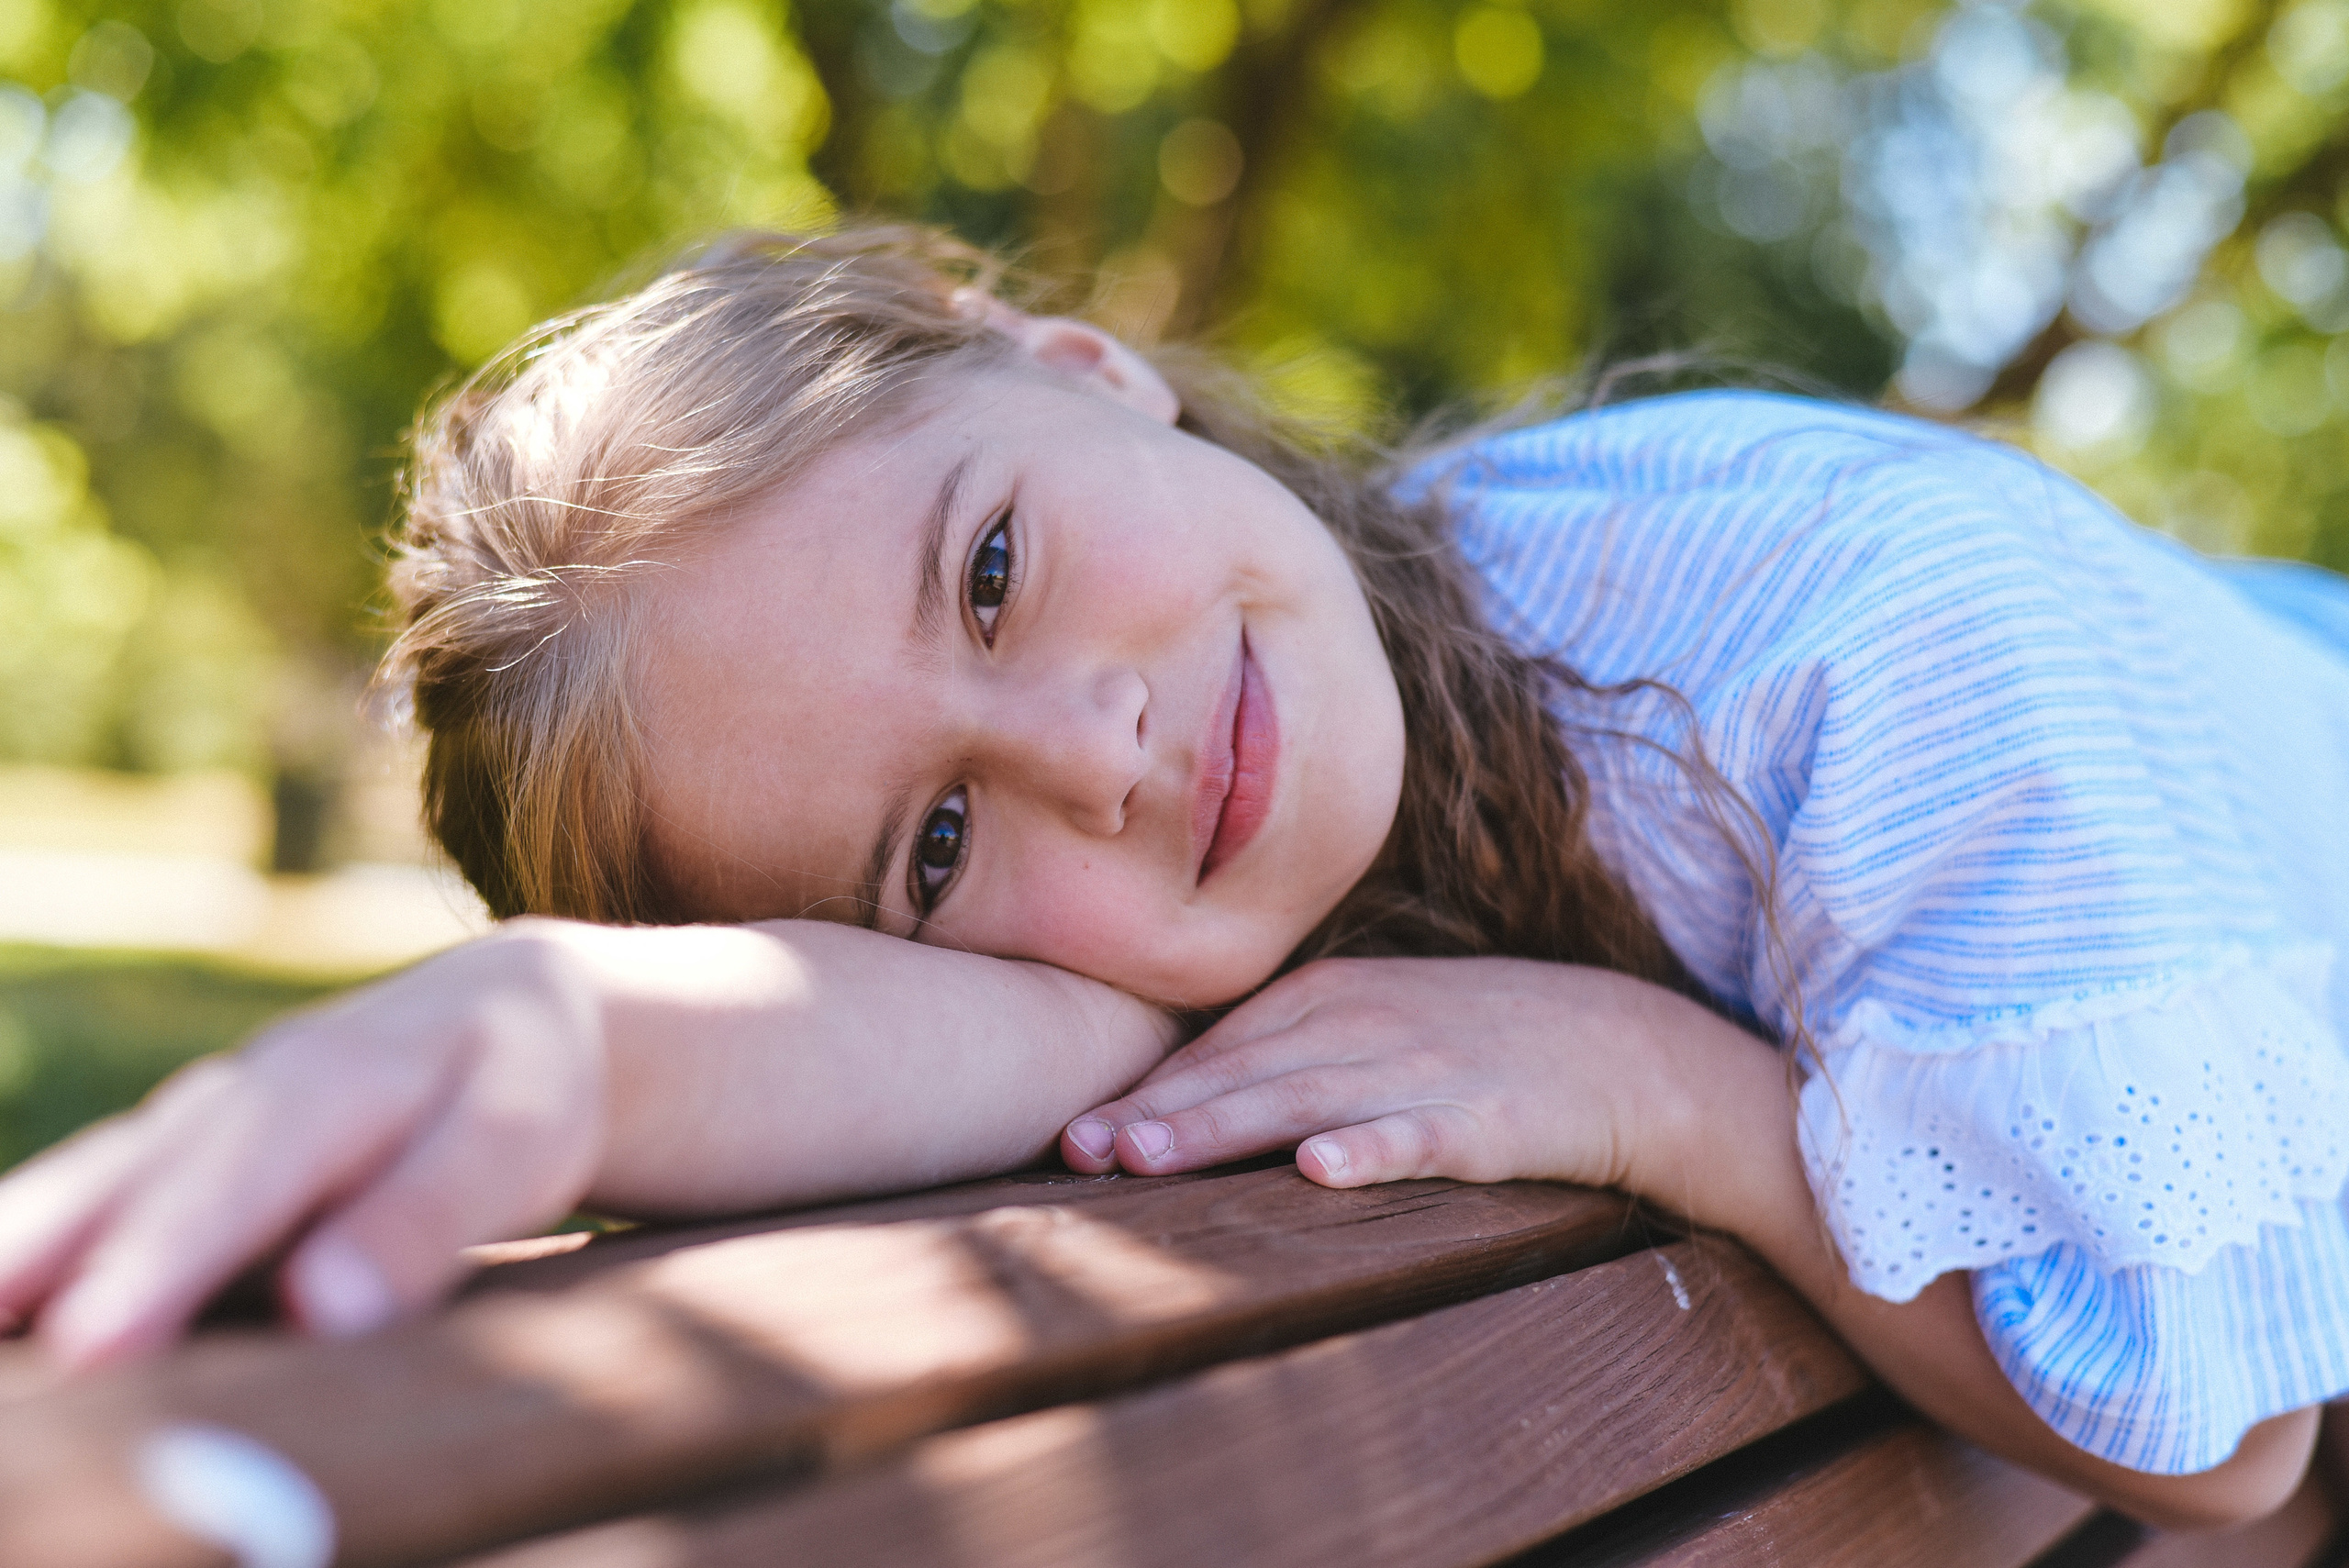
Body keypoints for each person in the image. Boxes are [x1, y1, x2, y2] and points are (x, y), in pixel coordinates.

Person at [3, 226, 2346, 1529]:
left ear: (1079, 365)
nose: (1089, 756)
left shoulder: (1863, 648)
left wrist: (1657, 1089)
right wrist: (549, 1030)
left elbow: (2216, 1436)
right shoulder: (1222, 862)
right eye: (934, 844)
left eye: (990, 570)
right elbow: (981, 1029)